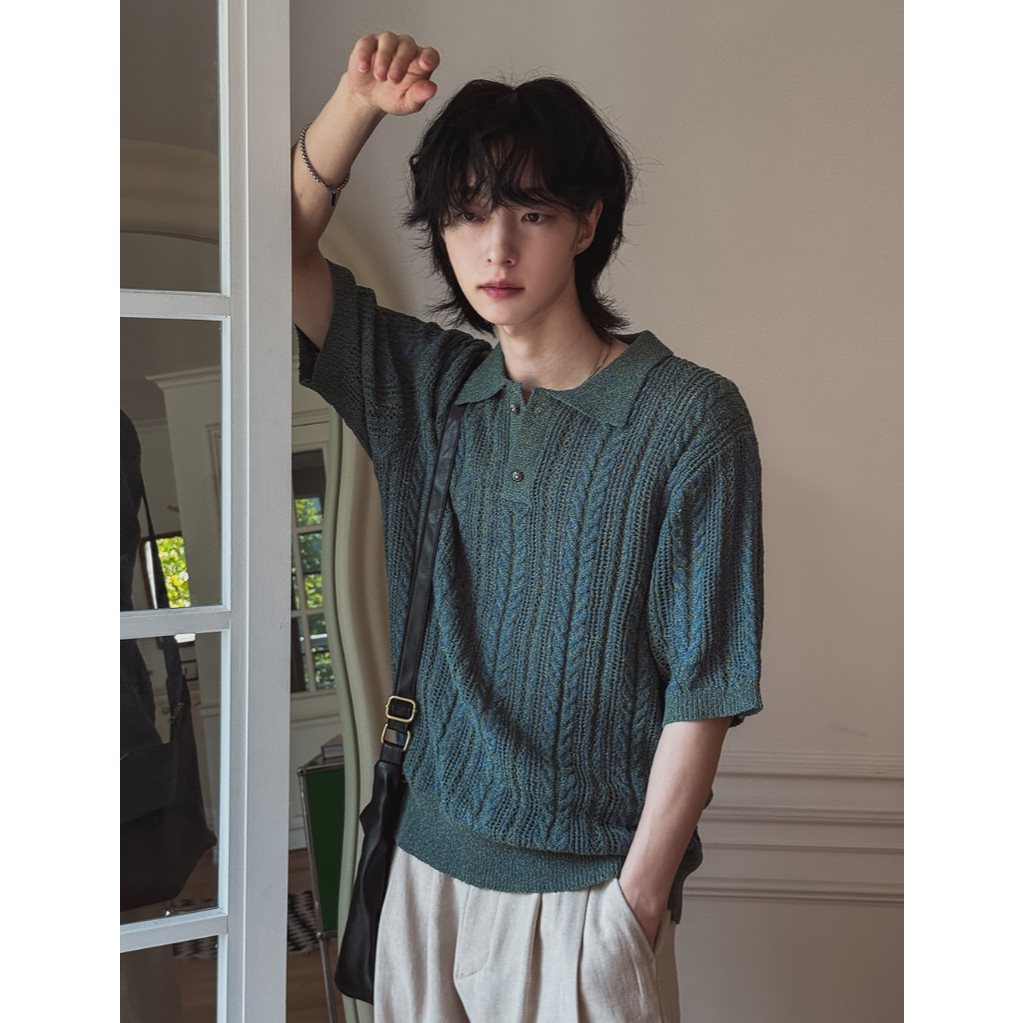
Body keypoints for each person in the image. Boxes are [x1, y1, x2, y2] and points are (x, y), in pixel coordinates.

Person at [292, 32, 763, 1023]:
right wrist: (356, 105)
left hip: (583, 894)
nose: (495, 249)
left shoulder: (688, 417)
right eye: (466, 215)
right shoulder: (424, 388)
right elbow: (274, 246)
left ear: (588, 221)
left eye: (532, 212)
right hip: (422, 868)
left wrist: (633, 905)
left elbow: (706, 683)